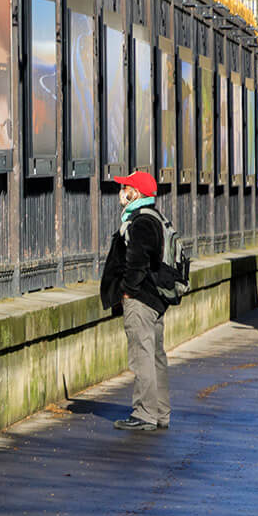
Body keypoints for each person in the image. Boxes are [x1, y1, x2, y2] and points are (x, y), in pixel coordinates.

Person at [99, 169, 171, 432]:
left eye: (125, 187)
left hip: (140, 300)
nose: (121, 192)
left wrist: (127, 291)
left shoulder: (140, 222)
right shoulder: (154, 217)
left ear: (135, 193)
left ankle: (144, 414)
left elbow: (137, 262)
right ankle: (161, 412)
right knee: (155, 356)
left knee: (142, 356)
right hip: (154, 299)